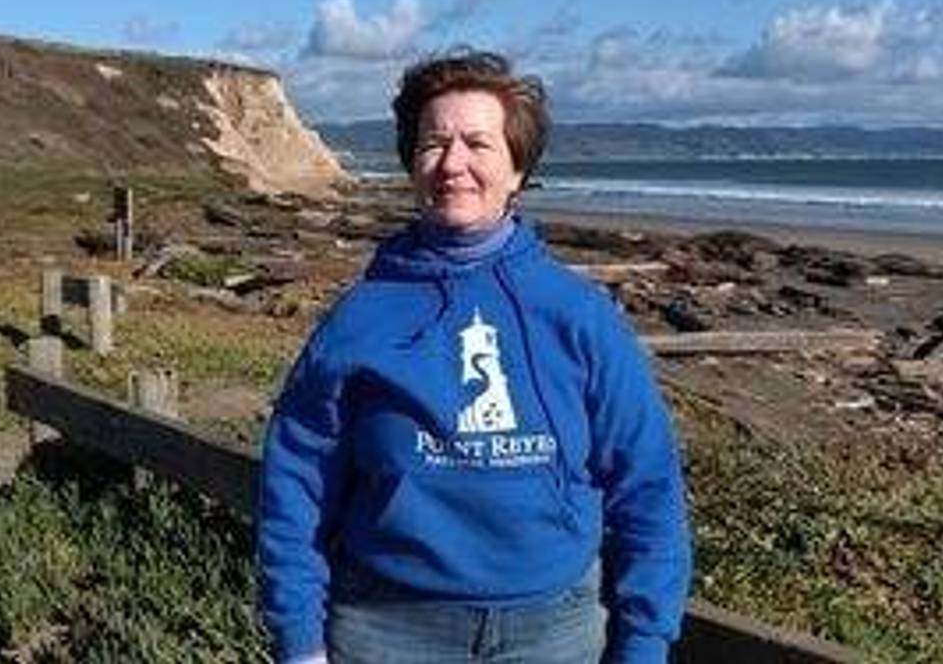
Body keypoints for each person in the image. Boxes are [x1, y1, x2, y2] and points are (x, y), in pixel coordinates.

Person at [259, 49, 691, 663]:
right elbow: (295, 482)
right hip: (387, 629)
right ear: (412, 163)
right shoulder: (358, 319)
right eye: (434, 143)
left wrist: (644, 642)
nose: (453, 163)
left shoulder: (579, 313)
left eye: (478, 144)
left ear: (518, 169)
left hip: (556, 632)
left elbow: (646, 483)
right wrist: (299, 641)